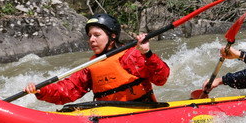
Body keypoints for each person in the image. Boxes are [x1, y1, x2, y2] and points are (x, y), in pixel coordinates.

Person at [24, 13, 170, 104]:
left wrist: (147, 53)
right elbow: (68, 90)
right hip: (109, 116)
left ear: (112, 36)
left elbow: (161, 79)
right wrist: (41, 90)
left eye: (97, 35)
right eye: (90, 36)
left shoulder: (131, 55)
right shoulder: (91, 66)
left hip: (140, 111)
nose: (92, 40)